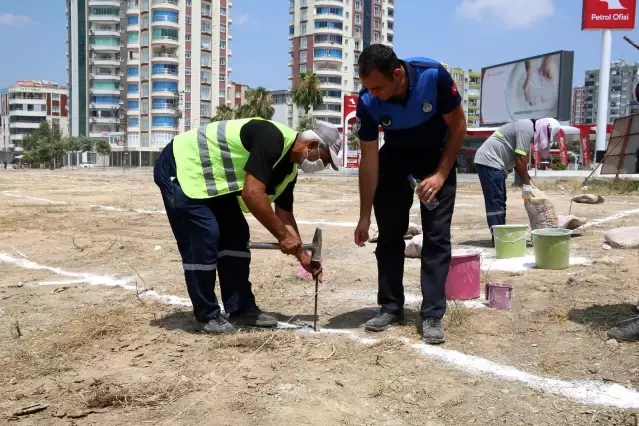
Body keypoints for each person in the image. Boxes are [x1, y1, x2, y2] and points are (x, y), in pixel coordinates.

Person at [154, 117, 342, 334]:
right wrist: (282, 236)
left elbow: (285, 215)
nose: (324, 166)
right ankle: (206, 315)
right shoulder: (272, 138)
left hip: (214, 183)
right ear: (312, 145)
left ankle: (241, 309)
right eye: (326, 160)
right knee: (205, 236)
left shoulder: (289, 172)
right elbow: (252, 195)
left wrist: (302, 256)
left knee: (236, 234)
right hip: (183, 165)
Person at [353, 44, 467, 344]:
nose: (373, 93)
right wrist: (364, 216)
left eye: (378, 86)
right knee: (389, 235)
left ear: (398, 73)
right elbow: (369, 160)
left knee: (436, 237)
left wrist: (441, 174)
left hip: (436, 157)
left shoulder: (433, 77)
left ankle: (431, 314)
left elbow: (458, 126)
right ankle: (390, 306)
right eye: (368, 88)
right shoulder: (367, 101)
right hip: (396, 159)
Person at [474, 118, 560, 245]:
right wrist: (526, 185)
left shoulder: (528, 129)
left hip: (494, 164)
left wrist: (528, 182)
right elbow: (519, 160)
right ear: (544, 128)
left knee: (499, 201)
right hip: (490, 161)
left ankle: (499, 235)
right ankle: (498, 239)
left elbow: (521, 161)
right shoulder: (526, 128)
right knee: (496, 201)